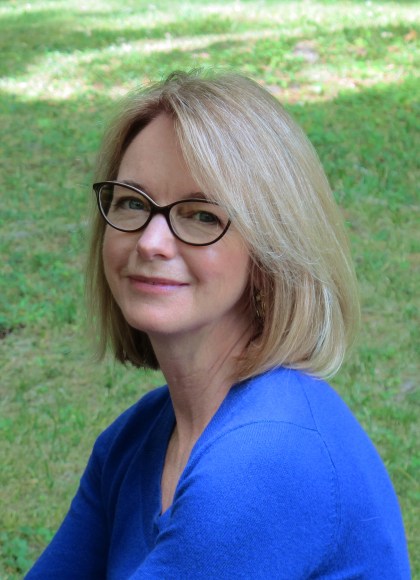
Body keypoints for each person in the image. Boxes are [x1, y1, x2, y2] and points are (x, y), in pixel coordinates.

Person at [26, 70, 410, 579]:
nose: (150, 242)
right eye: (133, 203)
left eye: (201, 215)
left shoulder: (265, 459)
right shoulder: (133, 441)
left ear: (269, 252)